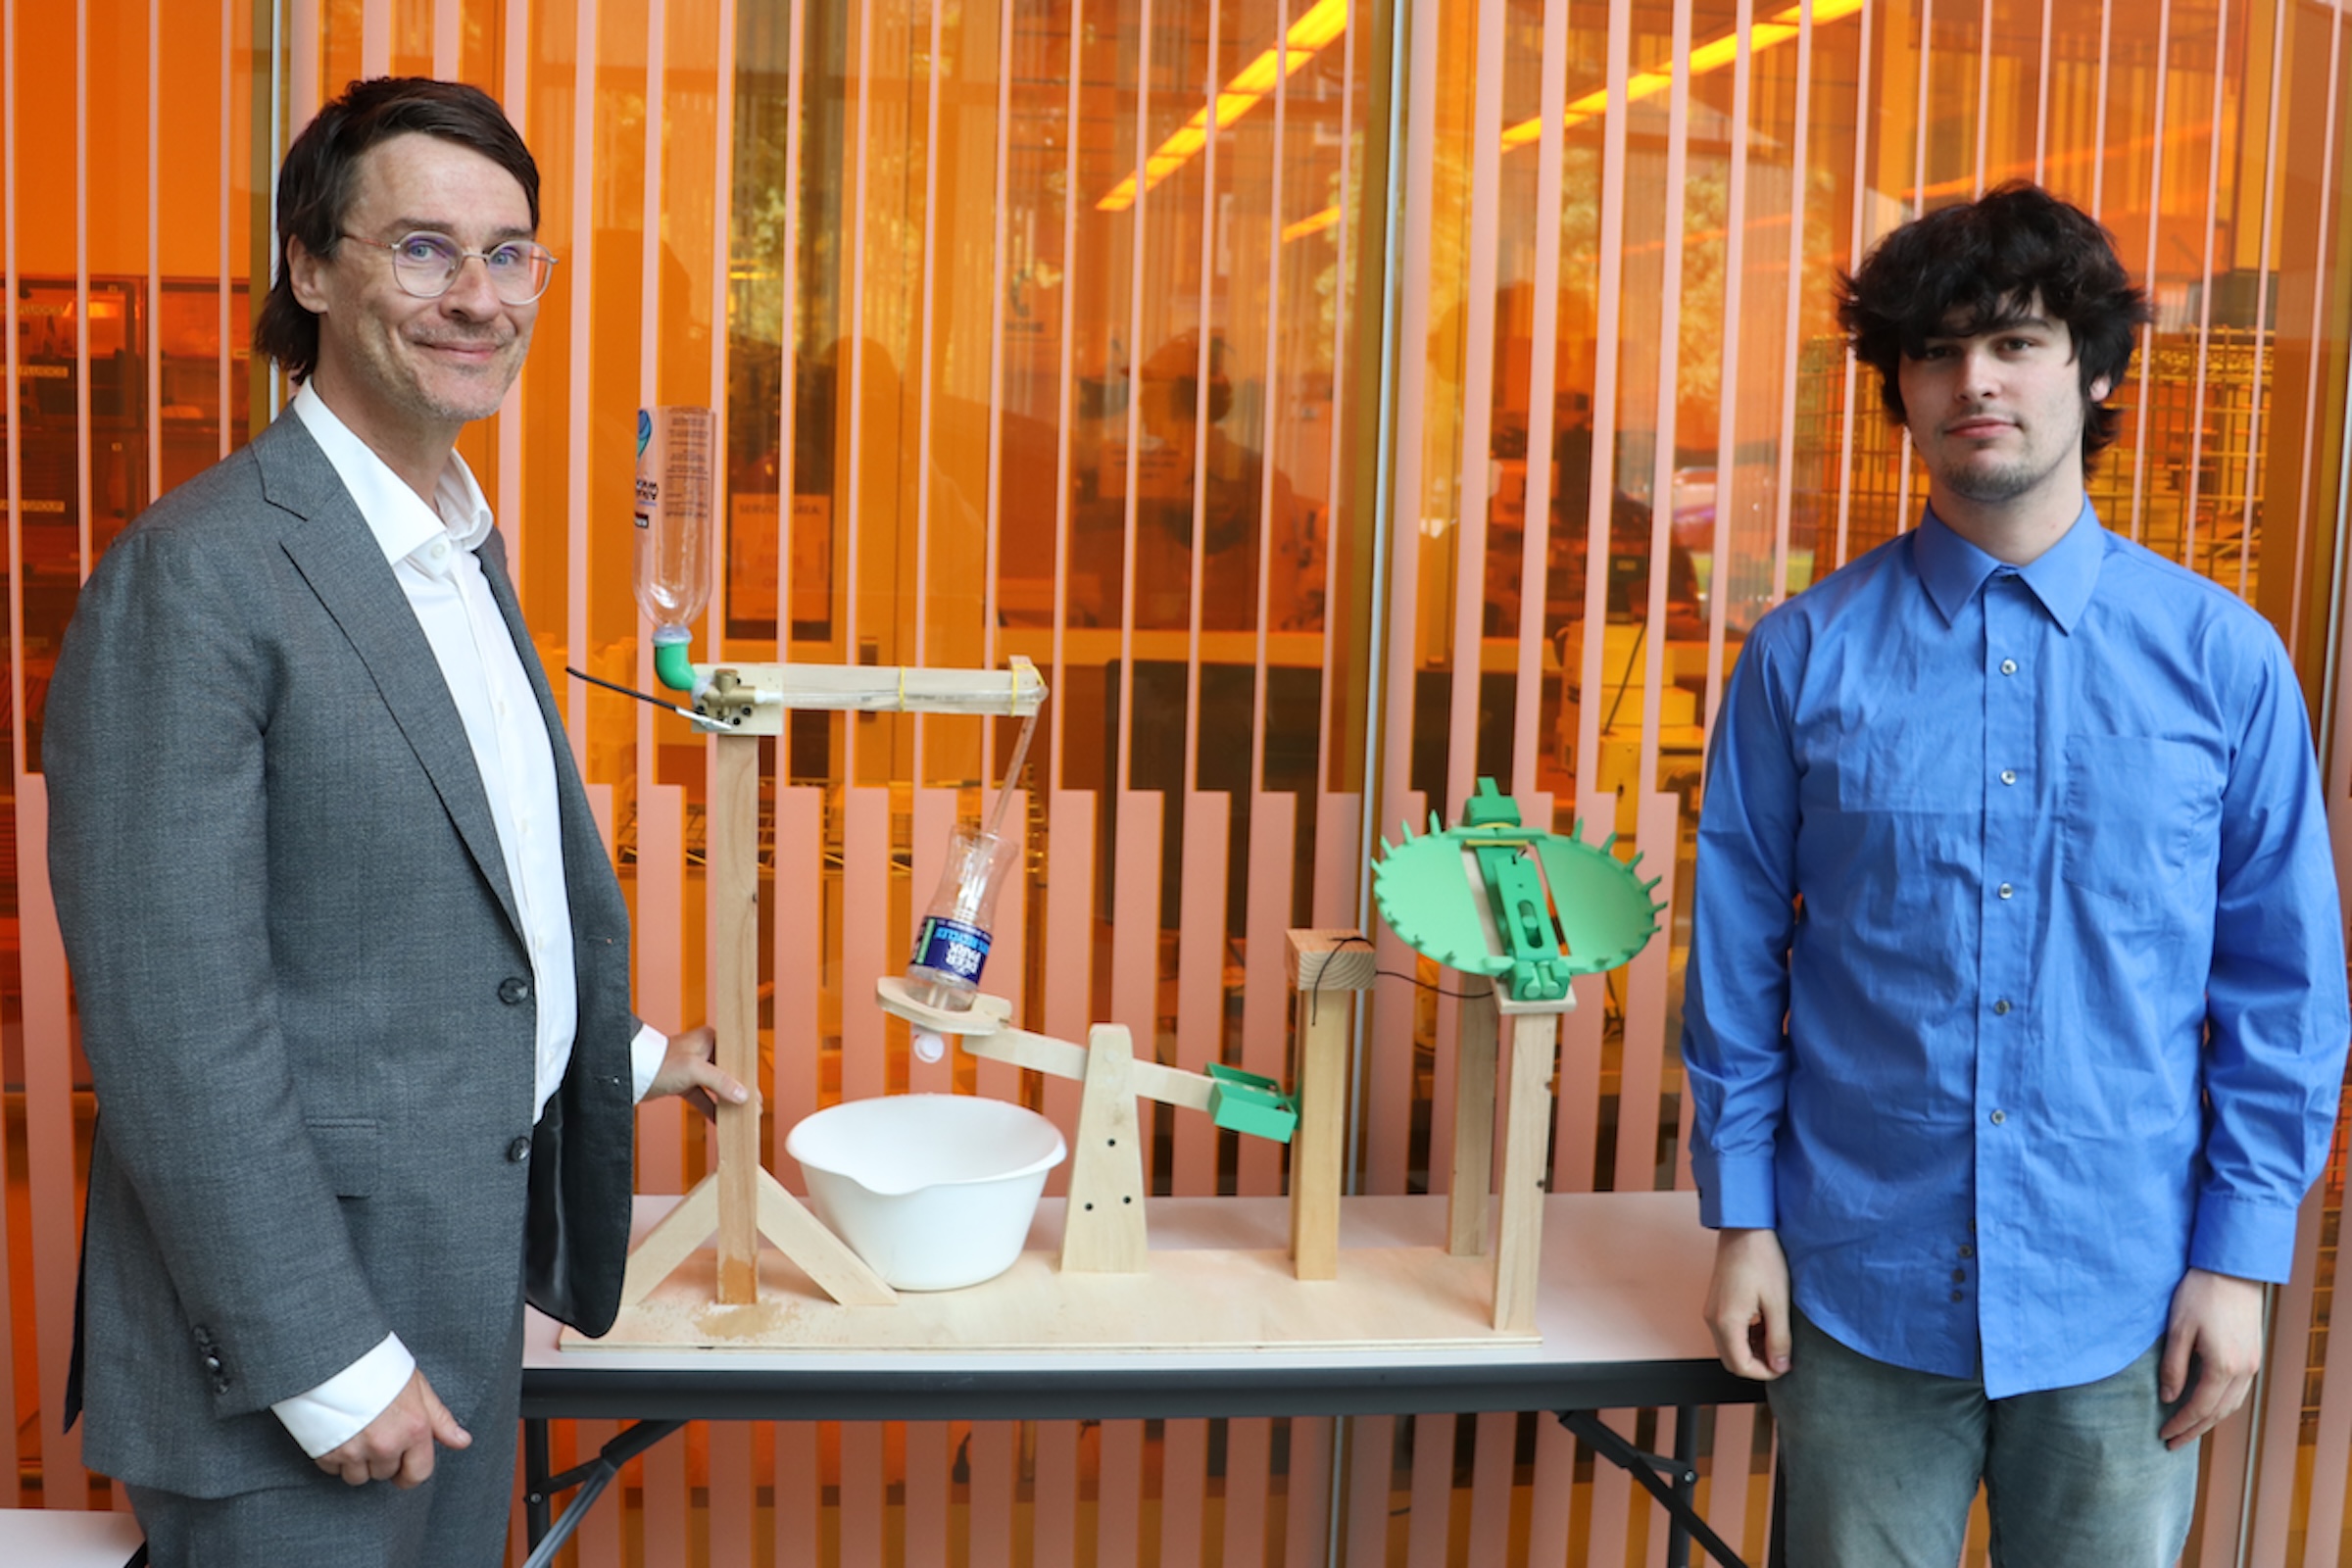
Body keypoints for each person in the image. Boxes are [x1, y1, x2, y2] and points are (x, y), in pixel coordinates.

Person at [44, 77, 748, 1566]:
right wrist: (323, 1357)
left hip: (453, 1301)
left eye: (511, 255)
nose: (478, 298)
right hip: (308, 1361)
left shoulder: (454, 546)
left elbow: (424, 894)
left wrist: (617, 1057)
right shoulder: (202, 571)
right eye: (423, 249)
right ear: (312, 266)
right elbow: (176, 1021)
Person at [1682, 181, 2351, 1564]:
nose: (1974, 378)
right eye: (1935, 350)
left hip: (2125, 1291)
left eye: (2018, 341)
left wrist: (2239, 1256)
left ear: (2095, 370)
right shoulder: (1801, 657)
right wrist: (1743, 1219)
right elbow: (1737, 961)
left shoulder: (2223, 663)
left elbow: (2285, 988)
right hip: (1858, 1286)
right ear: (1902, 392)